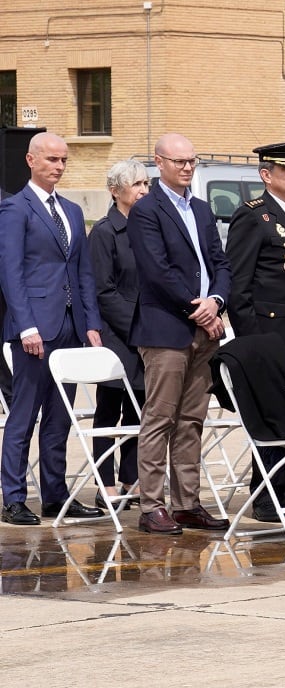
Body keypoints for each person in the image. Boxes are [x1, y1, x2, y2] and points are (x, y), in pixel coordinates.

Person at [128, 132, 232, 534]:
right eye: (179, 161)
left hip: (205, 329)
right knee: (160, 418)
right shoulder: (146, 211)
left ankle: (186, 503)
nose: (187, 167)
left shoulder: (203, 210)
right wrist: (200, 311)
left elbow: (220, 262)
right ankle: (151, 505)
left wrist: (218, 300)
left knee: (192, 419)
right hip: (166, 330)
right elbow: (157, 272)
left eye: (192, 161)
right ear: (159, 163)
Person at [0, 133, 105, 526]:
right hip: (34, 330)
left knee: (60, 417)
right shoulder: (15, 209)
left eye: (63, 160)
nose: (58, 167)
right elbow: (10, 273)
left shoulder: (73, 212)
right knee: (24, 415)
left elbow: (83, 273)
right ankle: (13, 498)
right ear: (30, 160)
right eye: (51, 160)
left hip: (70, 326)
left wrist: (91, 323)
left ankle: (55, 495)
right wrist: (25, 325)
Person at [225, 141, 285, 522]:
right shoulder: (253, 216)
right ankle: (266, 495)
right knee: (275, 415)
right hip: (271, 334)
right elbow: (239, 284)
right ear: (266, 175)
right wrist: (254, 341)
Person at [88, 159, 150, 508]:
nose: (143, 190)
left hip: (147, 335)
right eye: (137, 184)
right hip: (118, 336)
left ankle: (131, 478)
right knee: (109, 411)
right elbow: (104, 290)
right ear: (116, 191)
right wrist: (138, 325)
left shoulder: (147, 227)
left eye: (146, 184)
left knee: (139, 411)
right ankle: (105, 483)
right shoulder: (105, 232)